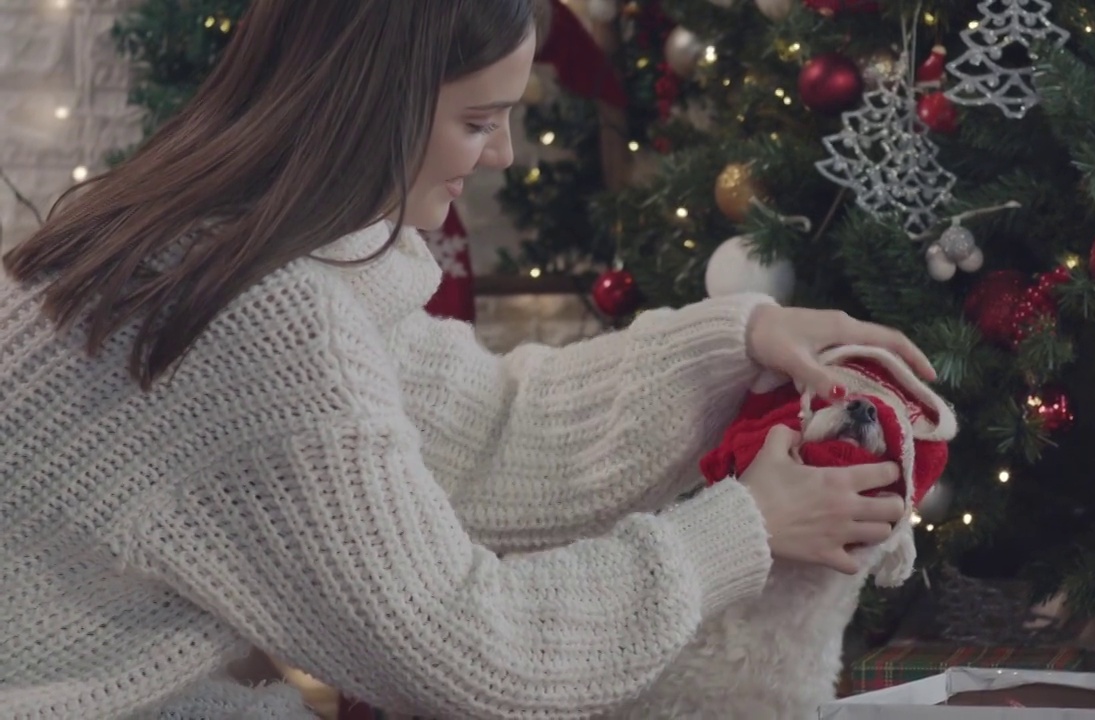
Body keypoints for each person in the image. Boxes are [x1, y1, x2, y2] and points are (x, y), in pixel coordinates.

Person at [0, 1, 935, 718]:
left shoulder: (217, 247)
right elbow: (469, 647)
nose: (502, 156)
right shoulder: (265, 320)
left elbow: (488, 432)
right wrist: (741, 531)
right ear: (380, 104)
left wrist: (736, 338)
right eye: (480, 120)